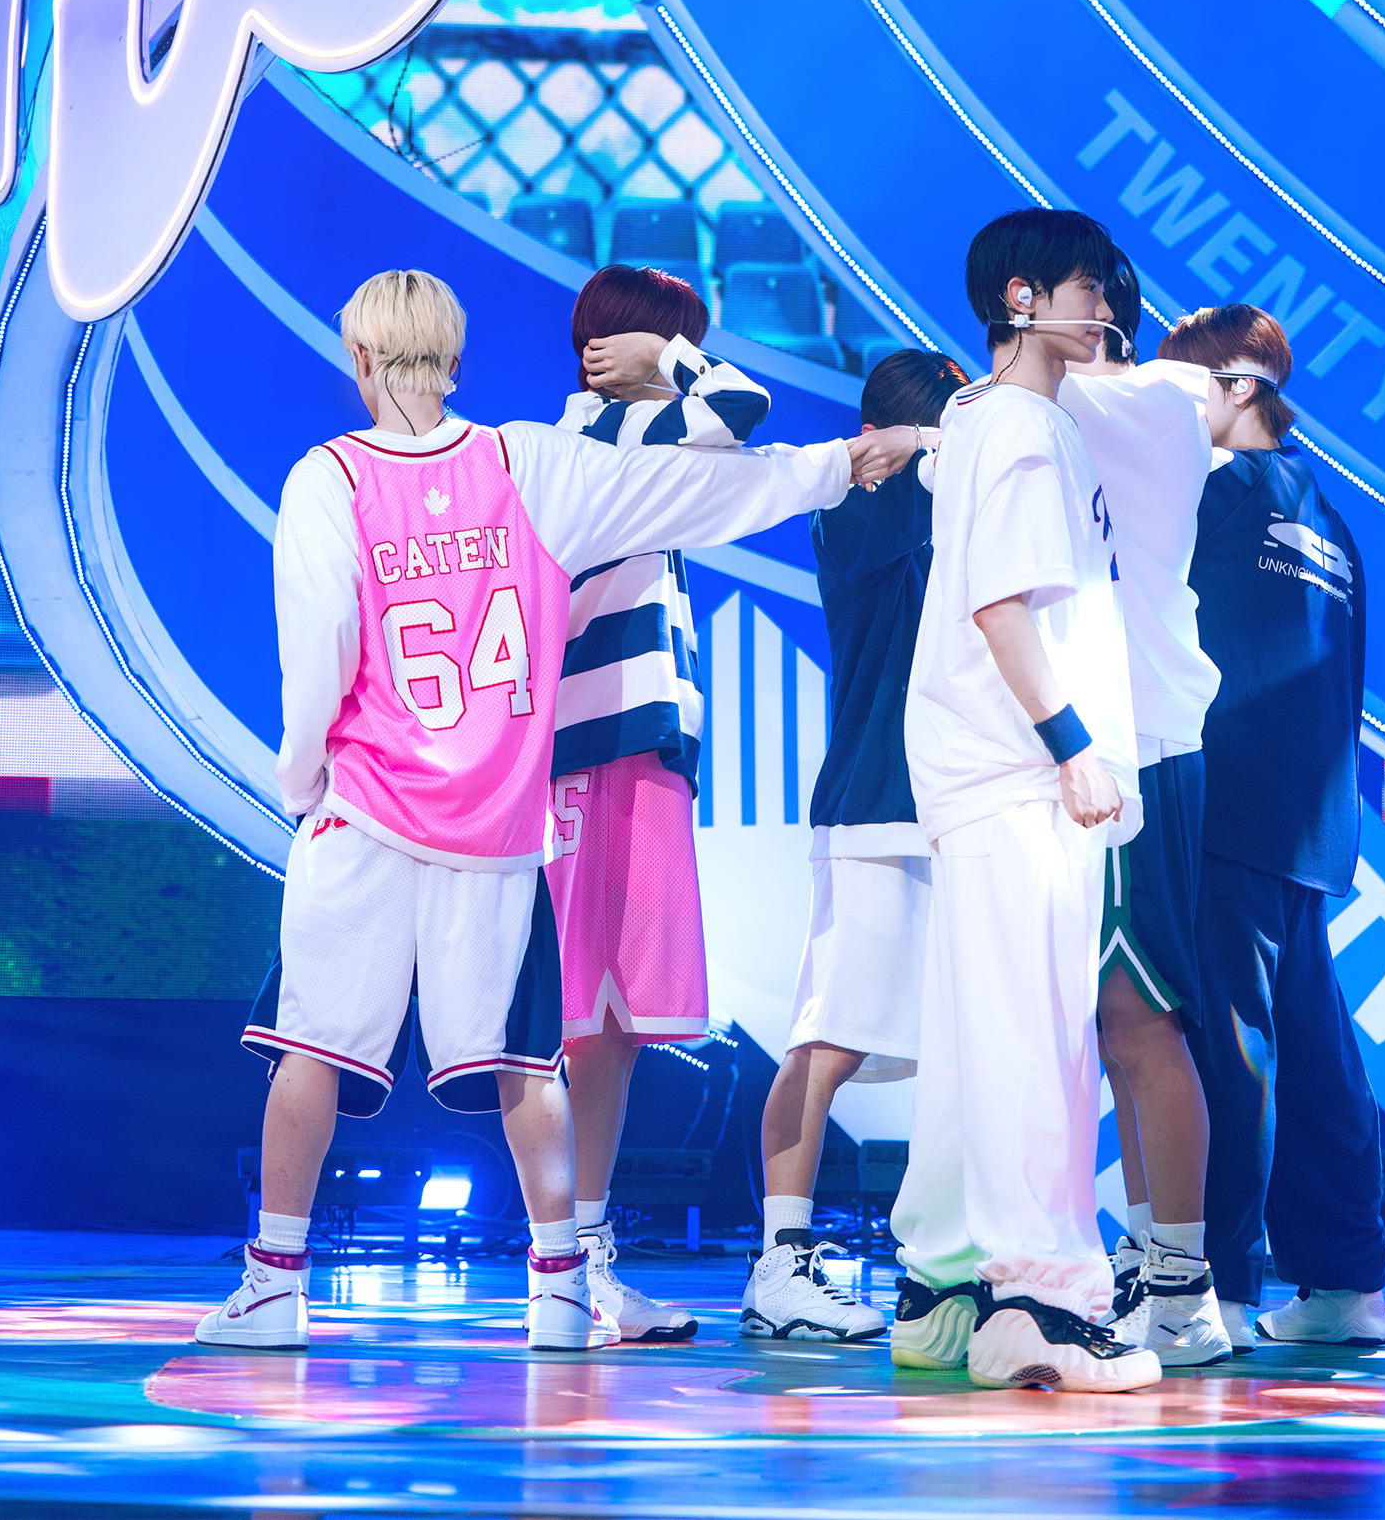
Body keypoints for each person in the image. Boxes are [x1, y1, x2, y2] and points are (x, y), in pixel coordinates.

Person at [196, 268, 887, 1354]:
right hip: (497, 822)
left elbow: (319, 648)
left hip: (370, 807)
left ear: (360, 359)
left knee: (311, 1049)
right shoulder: (528, 458)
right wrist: (840, 463)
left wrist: (301, 783)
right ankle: (562, 1289)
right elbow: (709, 493)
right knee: (527, 1061)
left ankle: (275, 1288)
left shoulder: (329, 475)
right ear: (456, 359)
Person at [888, 207, 1159, 1393]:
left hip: (989, 768)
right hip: (1019, 768)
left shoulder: (995, 420)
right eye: (1086, 288)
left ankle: (944, 1291)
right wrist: (1072, 746)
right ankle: (1038, 1306)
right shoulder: (1020, 426)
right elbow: (1002, 605)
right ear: (1022, 298)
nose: (1105, 309)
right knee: (1032, 1041)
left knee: (978, 1039)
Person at [546, 260, 773, 1343]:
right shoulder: (603, 432)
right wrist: (669, 360)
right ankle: (567, 1266)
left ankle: (584, 1263)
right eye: (679, 335)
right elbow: (742, 404)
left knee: (613, 1025)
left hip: (637, 749)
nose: (693, 355)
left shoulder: (635, 438)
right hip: (585, 753)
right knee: (575, 1022)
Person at [1155, 302, 1385, 1352]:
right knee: (1314, 1050)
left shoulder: (1207, 490)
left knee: (1231, 1052)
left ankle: (1221, 1287)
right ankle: (1345, 1283)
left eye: (1182, 390)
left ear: (1239, 388)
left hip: (1228, 804)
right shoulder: (1330, 517)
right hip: (1312, 824)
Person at [743, 346, 963, 1343]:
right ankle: (781, 1262)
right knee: (827, 1037)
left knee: (976, 1046)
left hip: (966, 811)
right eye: (947, 423)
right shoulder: (854, 506)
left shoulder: (964, 510)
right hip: (876, 807)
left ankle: (962, 1262)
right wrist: (919, 447)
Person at [1056, 252, 1229, 1366]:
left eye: (1044, 295)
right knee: (1105, 1025)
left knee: (1137, 1017)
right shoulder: (1120, 404)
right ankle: (1143, 1265)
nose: (1023, 319)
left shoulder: (1141, 399)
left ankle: (1182, 1290)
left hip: (1134, 745)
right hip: (1106, 742)